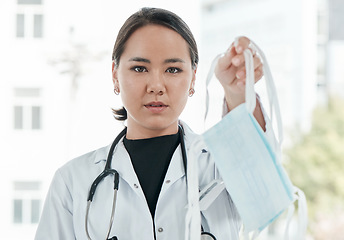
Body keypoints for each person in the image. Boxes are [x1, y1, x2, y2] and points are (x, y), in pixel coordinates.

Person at [35, 7, 274, 240]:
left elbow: (266, 197)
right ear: (114, 74)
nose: (156, 85)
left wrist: (238, 92)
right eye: (139, 68)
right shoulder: (73, 181)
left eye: (173, 69)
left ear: (193, 78)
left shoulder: (218, 164)